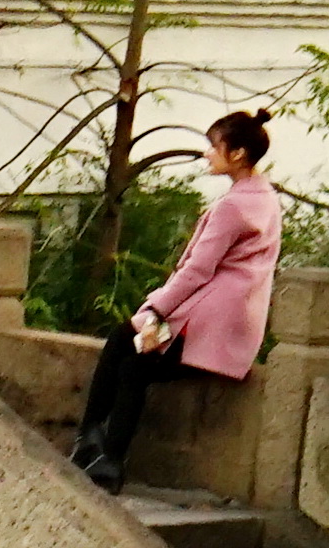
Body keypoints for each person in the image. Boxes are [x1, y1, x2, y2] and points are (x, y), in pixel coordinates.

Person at [68, 111, 283, 495]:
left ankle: (104, 453)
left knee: (133, 360)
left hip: (206, 325)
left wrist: (154, 311)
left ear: (238, 154)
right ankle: (94, 444)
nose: (207, 154)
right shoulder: (264, 197)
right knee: (125, 343)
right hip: (226, 321)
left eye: (215, 146)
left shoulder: (233, 207)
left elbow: (197, 271)